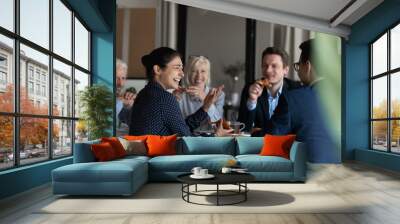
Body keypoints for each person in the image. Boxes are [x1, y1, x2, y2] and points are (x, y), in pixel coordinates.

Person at [129, 47, 232, 136]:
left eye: (182, 69)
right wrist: (216, 135)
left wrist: (205, 107)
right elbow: (187, 139)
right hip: (157, 157)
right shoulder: (165, 97)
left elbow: (182, 128)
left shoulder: (144, 93)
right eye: (177, 68)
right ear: (158, 70)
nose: (182, 74)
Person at [287, 38, 338, 163]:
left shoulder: (295, 97)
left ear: (308, 66)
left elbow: (273, 135)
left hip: (309, 170)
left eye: (298, 65)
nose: (298, 70)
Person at [238, 47, 301, 136]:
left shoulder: (295, 90)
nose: (268, 70)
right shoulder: (250, 88)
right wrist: (252, 100)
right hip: (256, 146)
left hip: (286, 146)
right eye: (265, 65)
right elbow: (243, 128)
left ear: (285, 70)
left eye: (274, 66)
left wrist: (260, 131)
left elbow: (298, 126)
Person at [176, 55, 225, 131]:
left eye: (203, 71)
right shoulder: (179, 94)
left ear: (208, 74)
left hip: (212, 139)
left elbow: (218, 124)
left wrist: (206, 99)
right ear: (188, 73)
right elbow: (178, 125)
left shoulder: (219, 95)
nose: (199, 76)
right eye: (194, 71)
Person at [116, 59, 136, 136]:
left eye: (123, 78)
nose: (120, 83)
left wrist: (129, 107)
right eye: (116, 78)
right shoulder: (100, 99)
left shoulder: (126, 101)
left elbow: (133, 125)